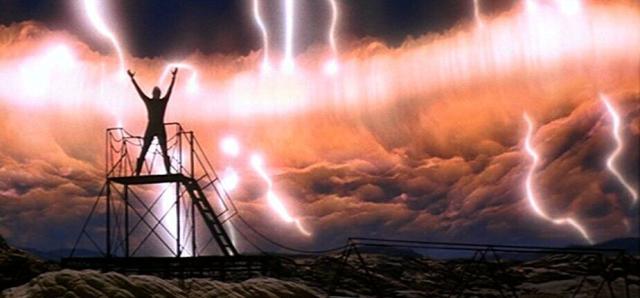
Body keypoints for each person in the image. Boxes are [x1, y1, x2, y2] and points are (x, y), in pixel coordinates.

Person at [127, 68, 178, 176]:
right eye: (157, 93)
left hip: (156, 127)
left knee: (161, 151)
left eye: (157, 93)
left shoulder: (157, 101)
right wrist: (132, 79)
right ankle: (138, 173)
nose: (157, 94)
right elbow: (139, 91)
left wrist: (174, 78)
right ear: (156, 94)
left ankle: (166, 172)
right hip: (155, 127)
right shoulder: (155, 101)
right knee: (146, 150)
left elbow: (170, 90)